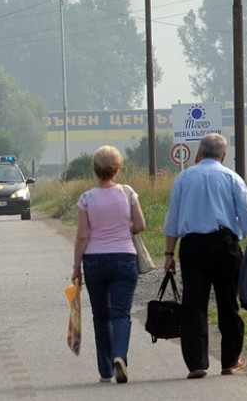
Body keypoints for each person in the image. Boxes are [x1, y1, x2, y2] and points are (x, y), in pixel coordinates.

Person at [162, 133, 247, 380]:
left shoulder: (184, 178)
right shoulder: (232, 178)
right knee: (227, 302)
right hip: (225, 245)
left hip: (193, 246)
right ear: (223, 155)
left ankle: (197, 362)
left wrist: (169, 254)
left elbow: (173, 220)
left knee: (194, 304)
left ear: (199, 154)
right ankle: (230, 361)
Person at [71, 145, 146, 384]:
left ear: (95, 170)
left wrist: (76, 267)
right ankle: (119, 355)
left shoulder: (86, 199)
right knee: (121, 313)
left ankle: (105, 369)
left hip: (94, 260)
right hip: (124, 257)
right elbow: (140, 224)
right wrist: (123, 229)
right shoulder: (128, 193)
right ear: (117, 169)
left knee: (100, 315)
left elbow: (83, 235)